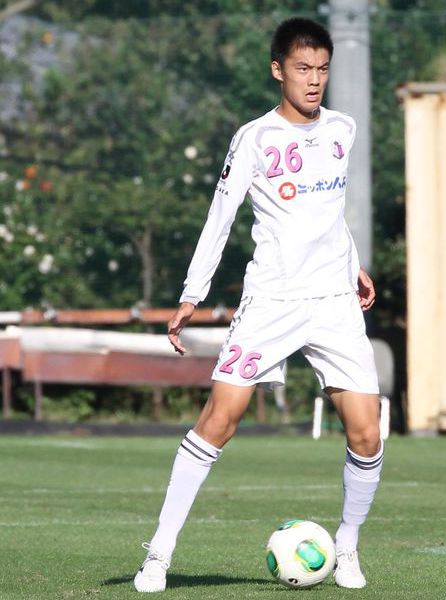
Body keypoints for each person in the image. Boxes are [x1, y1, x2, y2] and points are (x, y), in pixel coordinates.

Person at [134, 16, 384, 592]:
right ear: (278, 70)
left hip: (332, 302)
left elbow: (329, 213)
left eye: (322, 69)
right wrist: (192, 294)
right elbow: (219, 218)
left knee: (367, 434)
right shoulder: (254, 139)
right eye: (302, 68)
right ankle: (159, 554)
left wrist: (352, 264)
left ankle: (347, 547)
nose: (313, 80)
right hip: (272, 300)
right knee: (220, 419)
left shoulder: (343, 129)